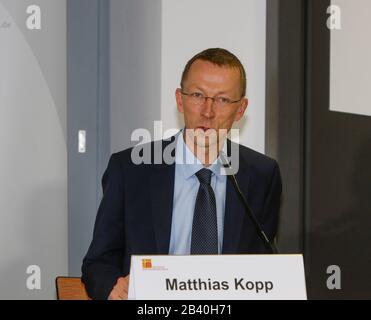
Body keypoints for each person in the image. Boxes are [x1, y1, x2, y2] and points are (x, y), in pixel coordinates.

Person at [81, 48, 282, 300]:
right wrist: (113, 287)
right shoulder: (131, 170)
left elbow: (264, 268)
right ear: (180, 99)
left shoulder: (262, 175)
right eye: (198, 95)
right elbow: (97, 262)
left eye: (221, 100)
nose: (207, 111)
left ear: (240, 109)